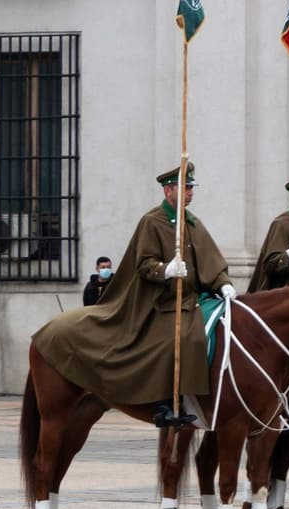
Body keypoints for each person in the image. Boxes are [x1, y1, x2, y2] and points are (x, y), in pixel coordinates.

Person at [30, 163, 235, 428]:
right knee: (175, 337)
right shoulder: (153, 222)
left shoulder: (193, 224)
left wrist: (223, 283)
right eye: (185, 188)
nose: (190, 193)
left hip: (194, 298)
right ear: (168, 190)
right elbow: (144, 264)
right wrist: (166, 270)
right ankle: (165, 403)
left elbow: (211, 261)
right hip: (161, 301)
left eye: (191, 188)